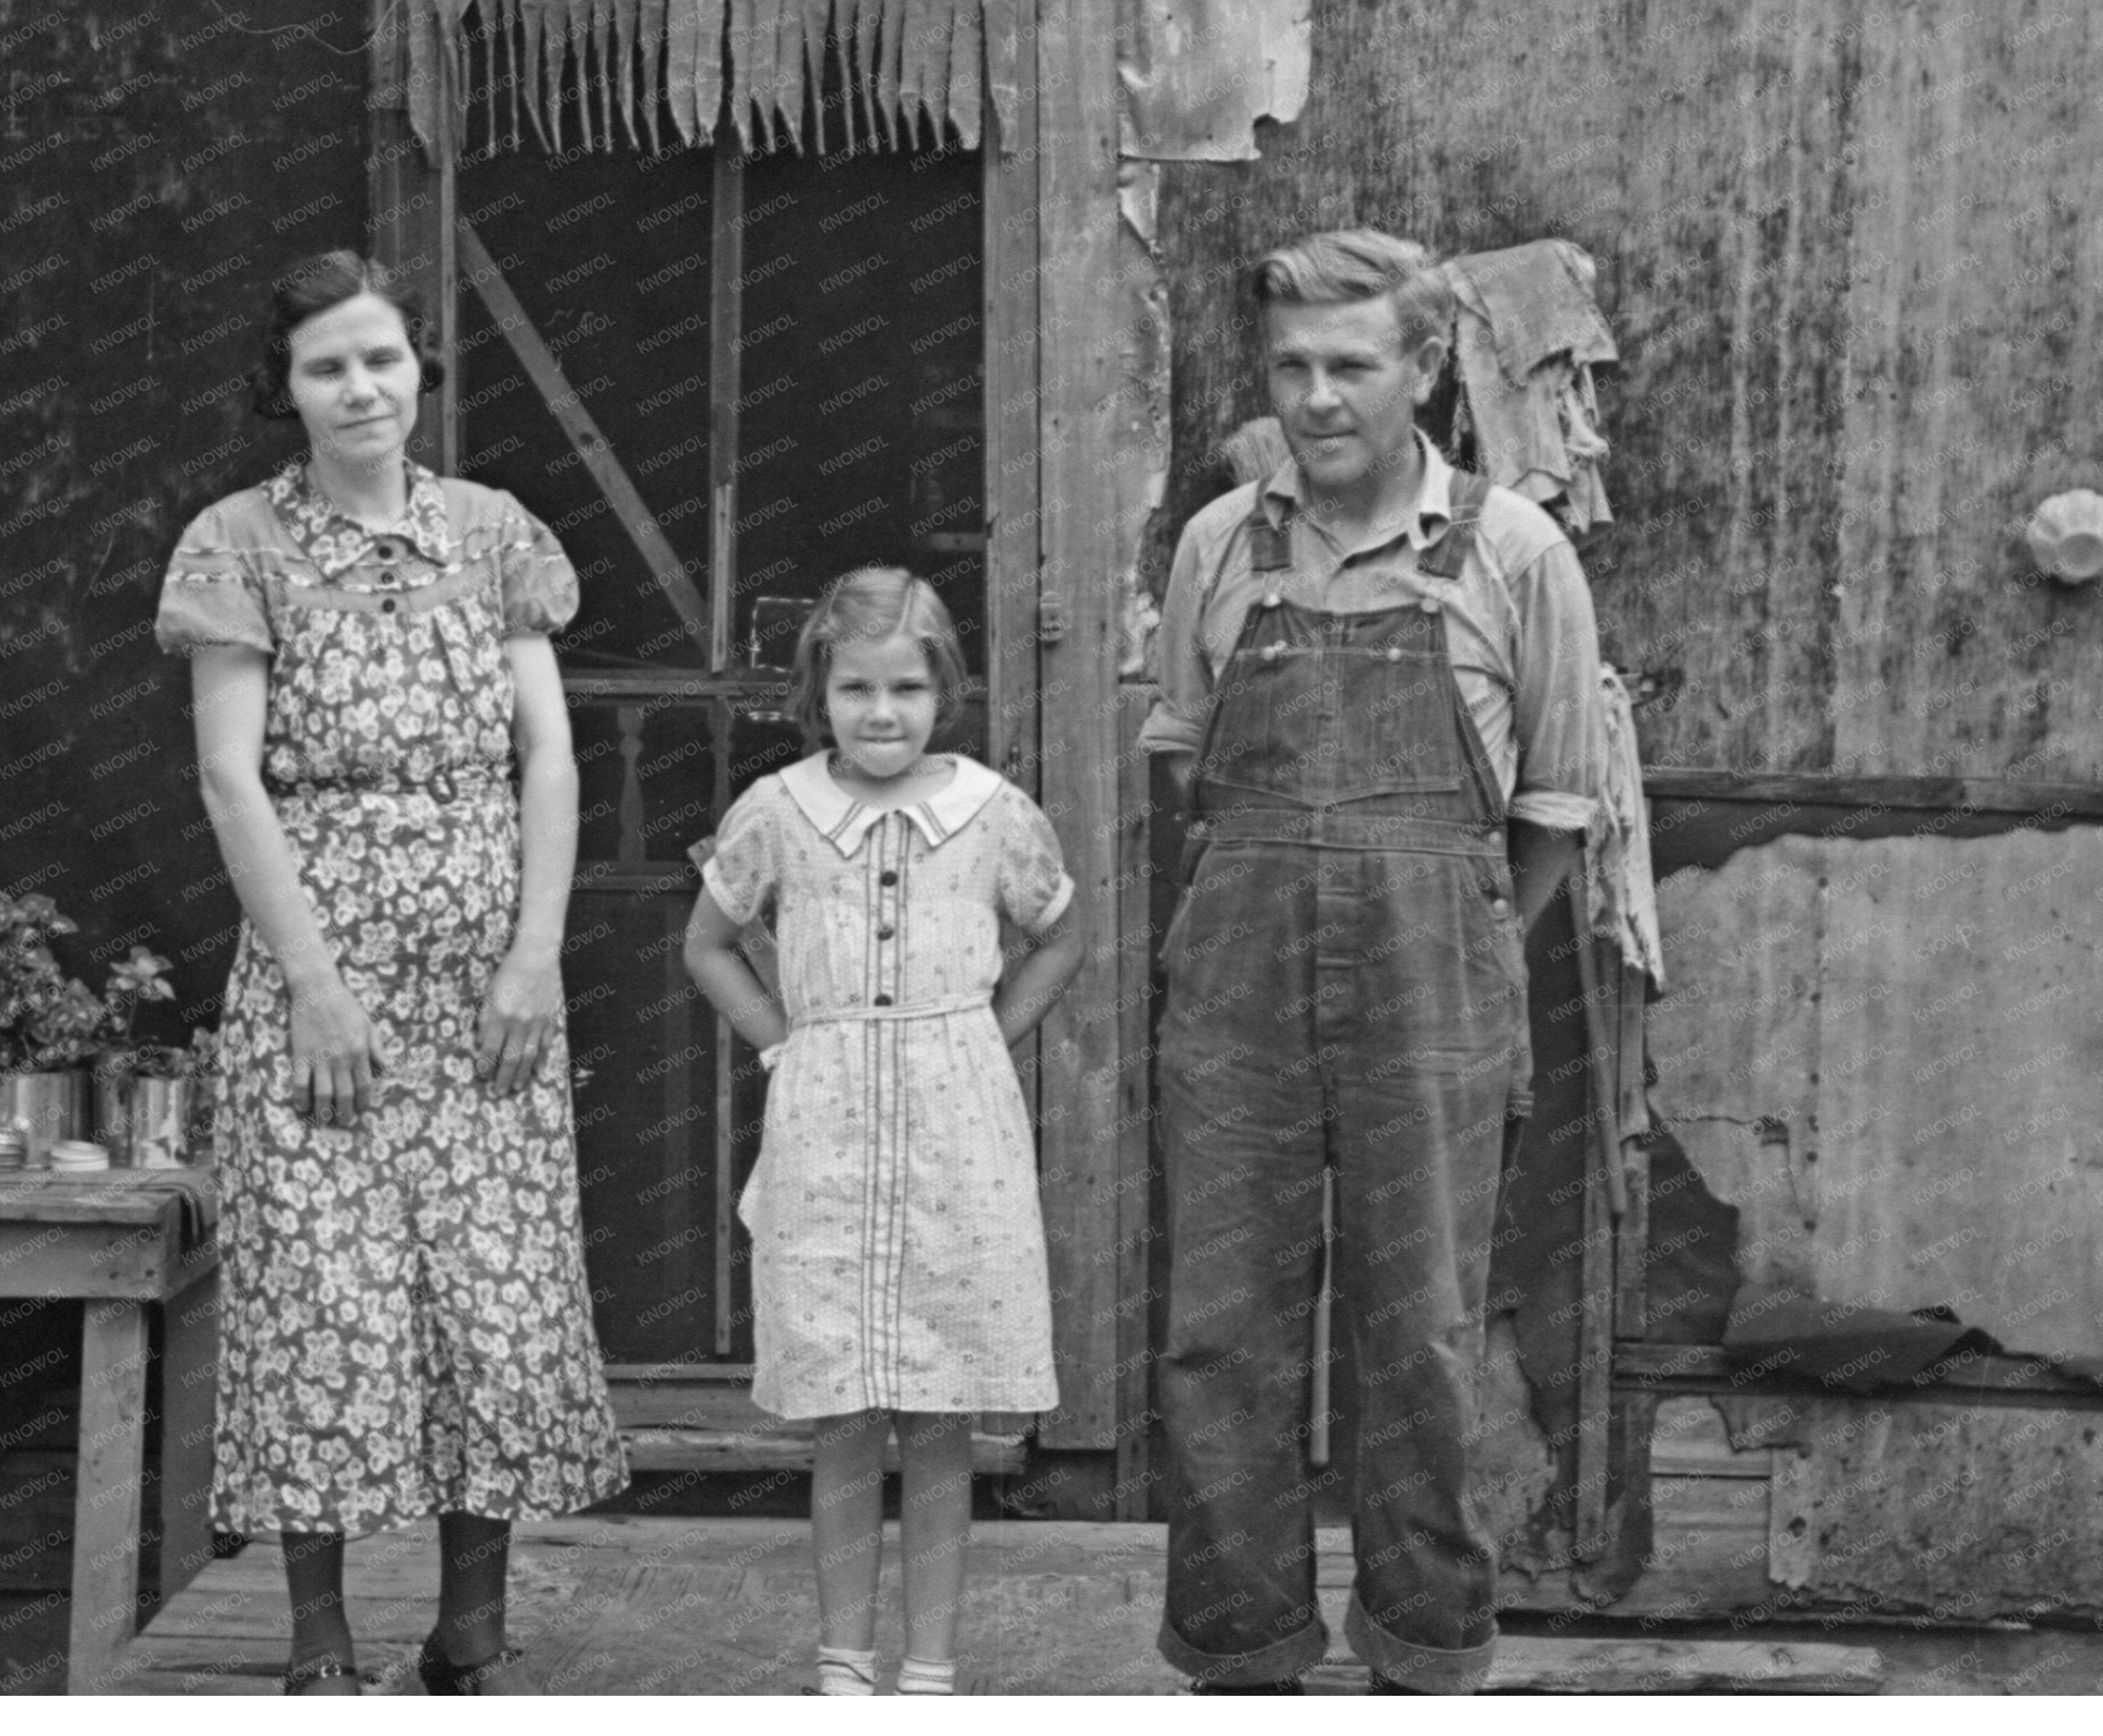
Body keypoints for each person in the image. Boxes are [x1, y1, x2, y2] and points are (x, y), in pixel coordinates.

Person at [155, 251, 628, 1696]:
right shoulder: (238, 543)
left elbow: (544, 754)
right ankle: (316, 1639)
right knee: (325, 1295)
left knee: (494, 1294)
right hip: (324, 982)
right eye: (326, 367)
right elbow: (234, 782)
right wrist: (313, 987)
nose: (360, 389)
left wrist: (535, 958)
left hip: (486, 979)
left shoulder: (492, 535)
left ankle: (469, 1628)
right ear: (284, 391)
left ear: (419, 368)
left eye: (381, 359)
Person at [1141, 228, 1603, 1695]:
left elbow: (1552, 812)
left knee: (1418, 1336)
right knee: (1221, 1334)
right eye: (1291, 366)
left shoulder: (1514, 552)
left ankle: (1422, 1655)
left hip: (1434, 984)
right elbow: (1183, 774)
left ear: (1422, 371)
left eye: (1352, 365)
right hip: (1236, 975)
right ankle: (1241, 1655)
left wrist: (1453, 935)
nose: (1317, 397)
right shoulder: (1220, 543)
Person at [683, 568, 1088, 1697]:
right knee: (845, 1413)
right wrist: (781, 1042)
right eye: (855, 687)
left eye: (905, 687)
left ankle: (931, 1670)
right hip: (827, 1127)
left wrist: (983, 1035)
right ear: (821, 691)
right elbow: (708, 943)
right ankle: (842, 1666)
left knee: (944, 1410)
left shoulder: (991, 811)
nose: (880, 713)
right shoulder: (777, 811)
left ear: (941, 690)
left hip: (958, 1134)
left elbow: (1059, 935)